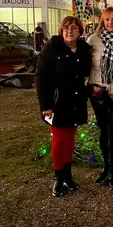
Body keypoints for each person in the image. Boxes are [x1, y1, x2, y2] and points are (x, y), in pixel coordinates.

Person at [36, 16, 91, 197]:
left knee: (70, 139)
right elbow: (41, 78)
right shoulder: (51, 48)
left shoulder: (83, 49)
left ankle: (68, 175)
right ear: (61, 30)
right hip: (57, 103)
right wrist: (46, 106)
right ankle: (58, 177)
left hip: (75, 102)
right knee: (59, 140)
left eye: (73, 28)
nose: (69, 31)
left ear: (79, 31)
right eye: (66, 28)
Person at [87, 7, 113, 190]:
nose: (110, 22)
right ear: (102, 21)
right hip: (99, 92)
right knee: (104, 131)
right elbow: (84, 64)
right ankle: (106, 167)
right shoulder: (93, 40)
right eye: (107, 19)